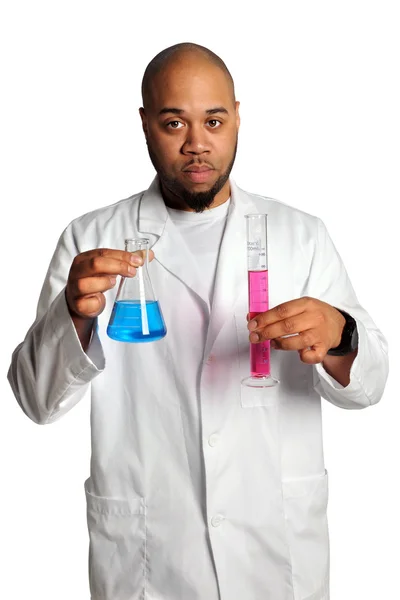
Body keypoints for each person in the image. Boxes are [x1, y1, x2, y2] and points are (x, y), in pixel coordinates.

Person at [8, 42, 388, 600]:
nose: (196, 143)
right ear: (144, 124)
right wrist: (74, 315)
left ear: (237, 116)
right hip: (151, 557)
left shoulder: (300, 236)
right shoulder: (90, 238)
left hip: (275, 550)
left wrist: (341, 336)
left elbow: (371, 385)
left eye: (214, 120)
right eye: (172, 122)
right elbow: (36, 401)